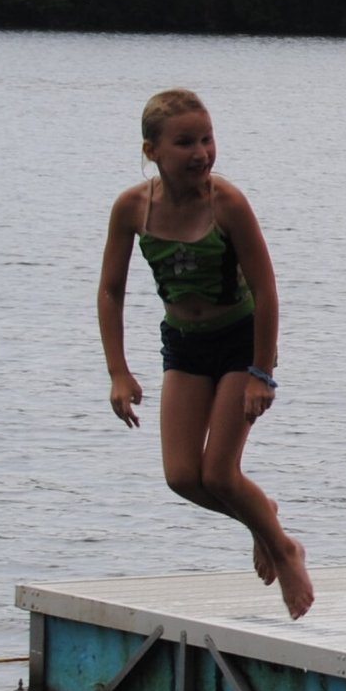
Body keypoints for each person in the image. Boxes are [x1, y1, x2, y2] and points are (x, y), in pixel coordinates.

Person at [97, 89, 314, 621]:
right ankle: (263, 519)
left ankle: (284, 549)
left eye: (207, 139)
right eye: (185, 142)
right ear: (152, 151)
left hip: (240, 343)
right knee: (181, 477)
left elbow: (266, 290)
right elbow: (111, 290)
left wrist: (263, 373)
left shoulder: (227, 204)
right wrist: (119, 372)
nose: (201, 152)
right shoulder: (131, 208)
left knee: (219, 474)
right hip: (185, 346)